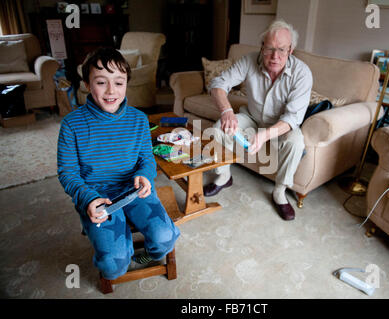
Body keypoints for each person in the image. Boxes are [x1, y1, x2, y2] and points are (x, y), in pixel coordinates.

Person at [57, 47, 180, 280]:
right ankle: (117, 252)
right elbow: (68, 173)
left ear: (126, 84)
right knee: (113, 267)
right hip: (96, 195)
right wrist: (88, 198)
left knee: (165, 238)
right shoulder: (72, 124)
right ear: (86, 84)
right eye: (101, 82)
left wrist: (145, 174)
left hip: (134, 190)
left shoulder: (139, 119)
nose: (111, 90)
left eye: (119, 82)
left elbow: (146, 159)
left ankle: (144, 255)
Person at [203, 19, 313, 221]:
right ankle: (224, 176)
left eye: (281, 49)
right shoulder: (249, 60)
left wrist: (265, 135)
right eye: (269, 48)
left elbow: (292, 117)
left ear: (291, 50)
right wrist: (226, 110)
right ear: (262, 47)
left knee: (296, 142)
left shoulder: (302, 73)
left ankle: (279, 191)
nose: (274, 56)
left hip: (282, 125)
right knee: (219, 128)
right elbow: (218, 83)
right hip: (251, 117)